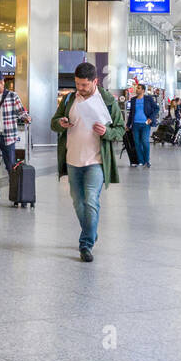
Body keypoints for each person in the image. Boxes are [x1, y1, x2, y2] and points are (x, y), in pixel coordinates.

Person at [51, 62, 125, 262]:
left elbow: (120, 129)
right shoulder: (68, 99)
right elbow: (54, 122)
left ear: (95, 81)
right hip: (72, 159)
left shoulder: (108, 101)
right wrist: (60, 123)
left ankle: (86, 244)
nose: (80, 89)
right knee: (78, 202)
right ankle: (91, 232)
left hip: (96, 161)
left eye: (84, 85)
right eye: (77, 84)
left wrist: (107, 132)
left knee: (91, 201)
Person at [0, 69, 29, 205]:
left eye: (2, 81)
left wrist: (26, 118)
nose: (1, 85)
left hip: (8, 137)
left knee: (11, 168)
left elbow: (21, 111)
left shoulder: (12, 96)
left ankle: (16, 195)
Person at [125, 81, 159, 168]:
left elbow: (156, 108)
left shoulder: (148, 99)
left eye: (139, 88)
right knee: (137, 143)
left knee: (144, 141)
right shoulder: (133, 100)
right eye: (137, 88)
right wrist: (128, 125)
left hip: (145, 124)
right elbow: (131, 113)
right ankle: (140, 161)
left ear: (143, 90)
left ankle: (147, 160)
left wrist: (150, 118)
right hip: (135, 124)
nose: (137, 89)